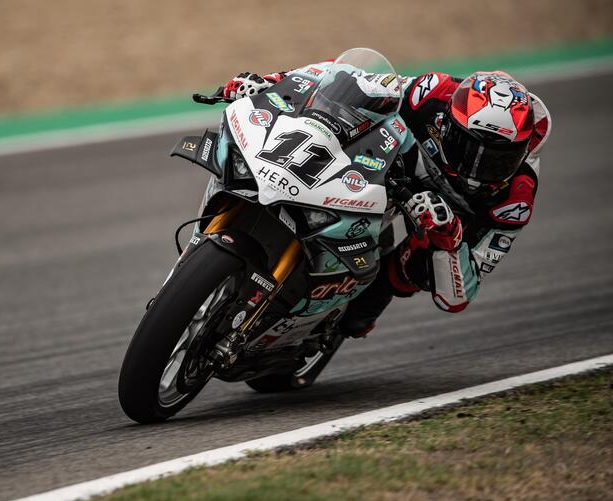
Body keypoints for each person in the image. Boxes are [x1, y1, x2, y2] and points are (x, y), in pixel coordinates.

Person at [221, 61, 551, 337]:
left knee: (407, 276)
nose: (478, 170)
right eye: (469, 149)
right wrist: (273, 82)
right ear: (447, 124)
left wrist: (449, 235)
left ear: (520, 154)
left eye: (497, 160)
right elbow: (353, 79)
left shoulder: (516, 199)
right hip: (399, 164)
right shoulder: (432, 93)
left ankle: (351, 308)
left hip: (444, 222)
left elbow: (459, 295)